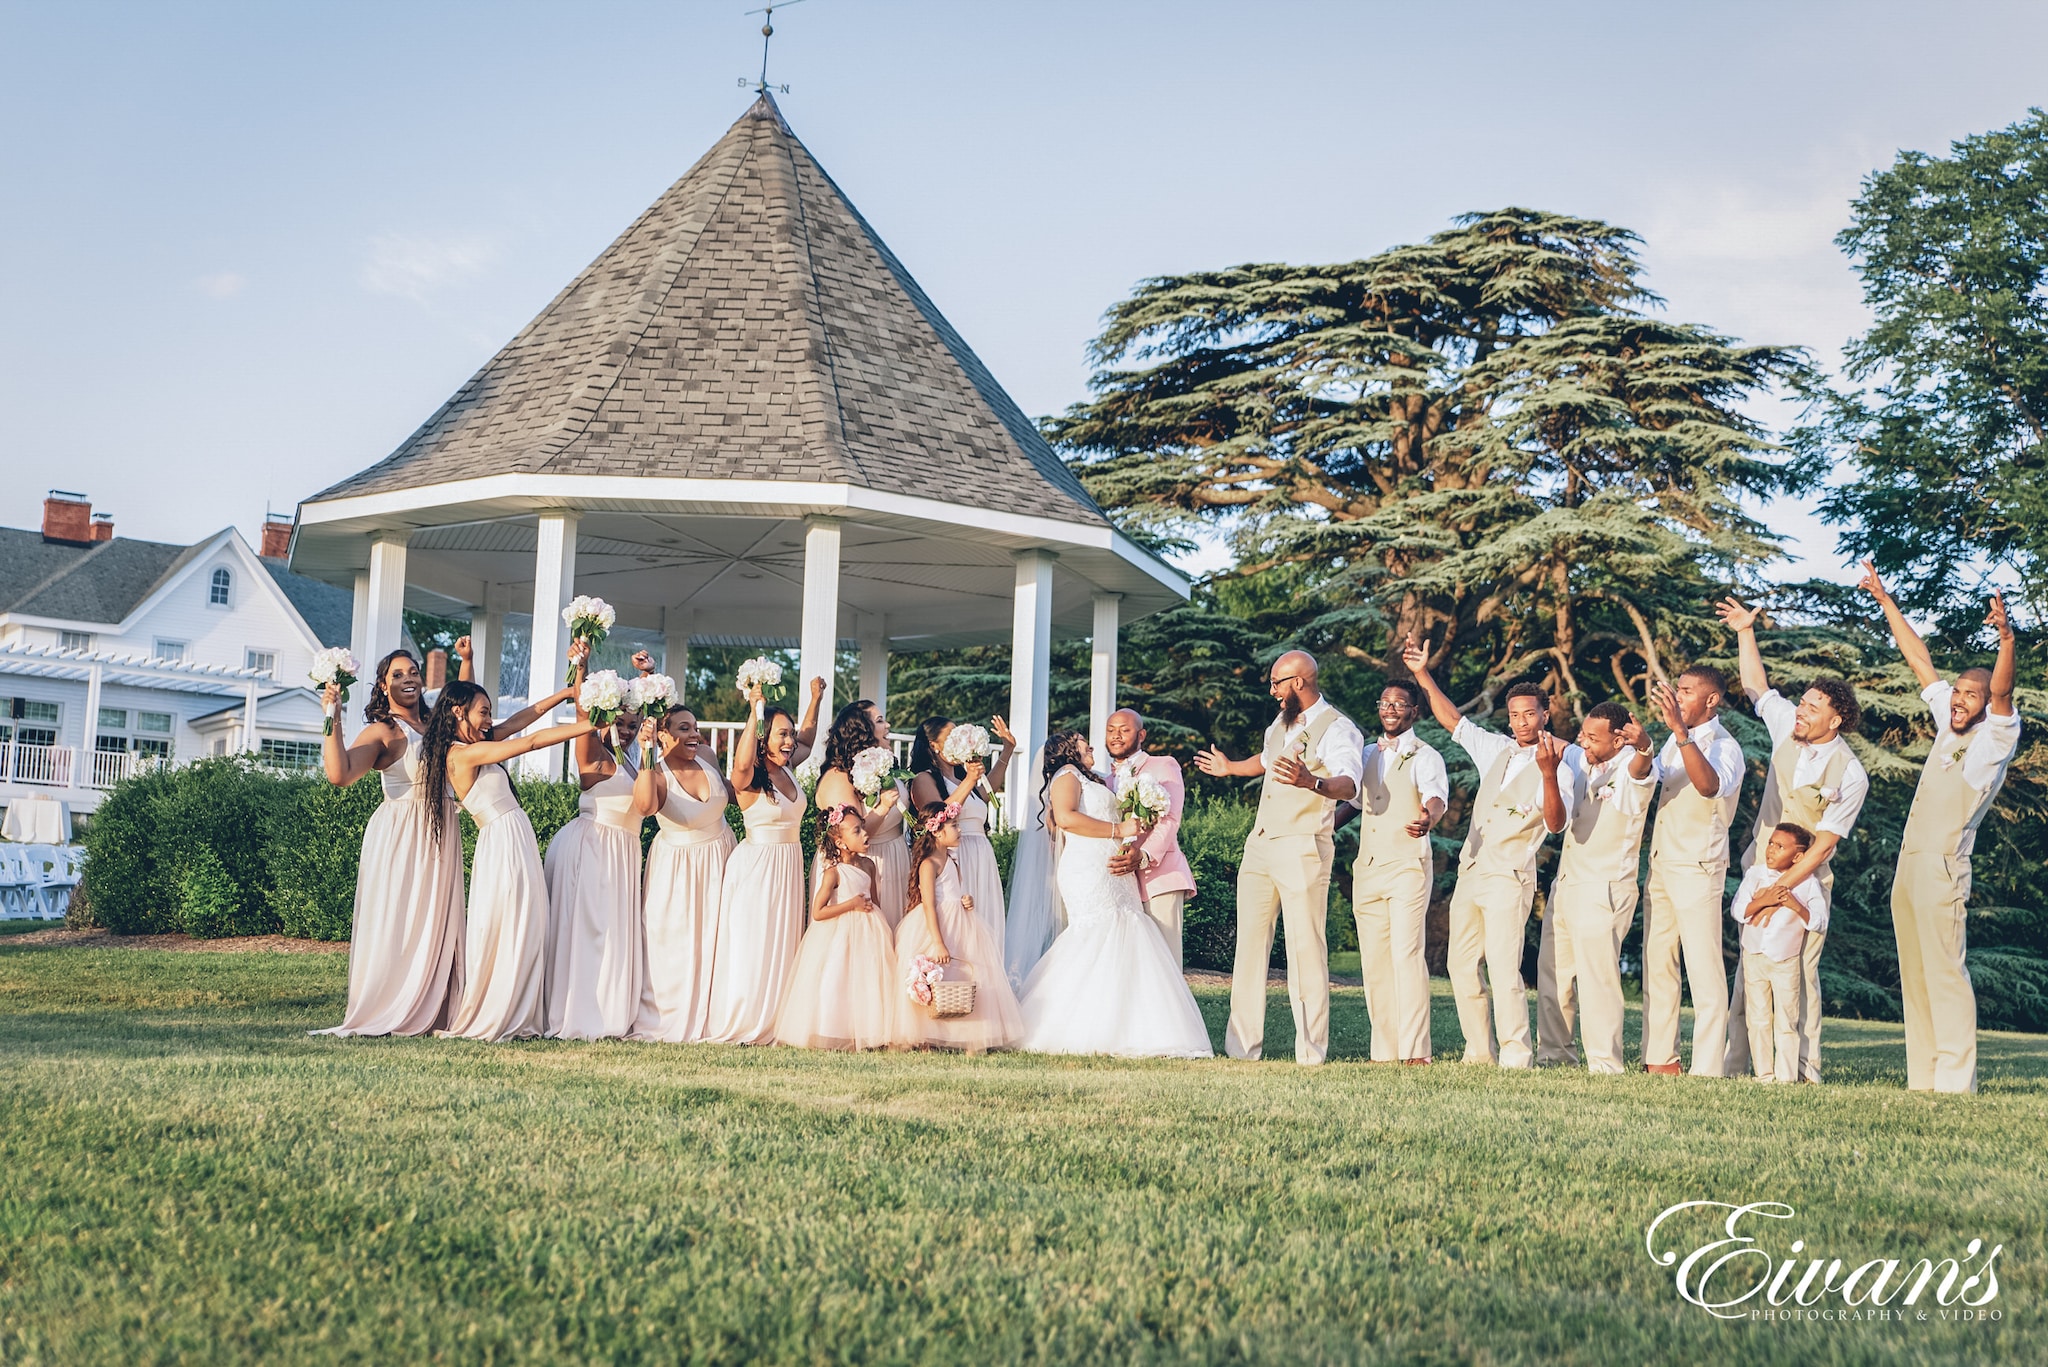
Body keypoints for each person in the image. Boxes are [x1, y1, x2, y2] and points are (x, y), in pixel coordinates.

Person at [1862, 565, 2022, 1094]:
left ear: (1986, 707)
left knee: (1946, 974)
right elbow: (1919, 660)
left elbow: (2001, 693)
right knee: (1917, 974)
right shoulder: (1947, 723)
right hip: (1910, 866)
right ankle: (1924, 1079)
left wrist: (2005, 640)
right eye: (1957, 692)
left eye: (1969, 697)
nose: (1958, 699)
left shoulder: (1993, 740)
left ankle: (1957, 1083)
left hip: (1944, 867)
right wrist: (1886, 600)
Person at [1402, 640, 1578, 1069]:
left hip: (1511, 874)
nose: (1520, 721)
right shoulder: (1496, 748)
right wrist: (1422, 674)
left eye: (1529, 714)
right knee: (1461, 966)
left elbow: (1556, 823)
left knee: (1503, 967)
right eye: (1514, 714)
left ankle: (1517, 1054)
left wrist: (1549, 774)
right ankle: (1479, 1052)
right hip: (1473, 870)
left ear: (1545, 712)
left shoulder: (1562, 759)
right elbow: (1453, 721)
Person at [1715, 596, 1870, 1081]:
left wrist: (1780, 892)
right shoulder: (1787, 726)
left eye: (1812, 707)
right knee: (1750, 967)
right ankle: (1739, 1064)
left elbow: (1824, 846)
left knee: (1799, 975)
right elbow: (1756, 685)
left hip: (1806, 883)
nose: (1800, 710)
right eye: (1801, 702)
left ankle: (1804, 1071)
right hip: (1760, 869)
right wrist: (1745, 630)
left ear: (1836, 720)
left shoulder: (1852, 774)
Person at [1196, 650, 1362, 1066]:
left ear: (1299, 683)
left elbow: (1350, 784)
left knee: (1306, 948)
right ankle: (1241, 1049)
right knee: (1249, 947)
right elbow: (1267, 760)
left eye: (1276, 683)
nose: (1271, 691)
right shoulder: (1281, 722)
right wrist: (1231, 768)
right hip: (1261, 843)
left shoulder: (1339, 728)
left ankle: (1310, 1052)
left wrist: (1313, 781)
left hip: (1303, 845)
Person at [1016, 733, 1213, 1058]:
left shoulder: (1093, 779)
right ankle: (1073, 1025)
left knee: (1127, 935)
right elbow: (1065, 818)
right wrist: (1118, 830)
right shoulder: (1067, 775)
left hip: (1113, 868)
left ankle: (1132, 1026)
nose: (1091, 745)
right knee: (1097, 935)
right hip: (1088, 869)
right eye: (1082, 741)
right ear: (1068, 750)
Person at [423, 680, 595, 1042]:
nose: (489, 720)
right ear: (458, 712)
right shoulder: (462, 754)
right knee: (514, 923)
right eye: (483, 712)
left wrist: (564, 696)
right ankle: (502, 1010)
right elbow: (530, 741)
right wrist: (592, 725)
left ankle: (523, 1007)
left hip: (515, 836)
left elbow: (522, 721)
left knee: (530, 923)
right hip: (501, 843)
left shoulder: (476, 744)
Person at [311, 650, 467, 1037]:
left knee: (439, 918)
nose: (409, 678)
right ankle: (395, 1002)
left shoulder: (436, 722)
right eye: (398, 674)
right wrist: (332, 716)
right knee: (403, 919)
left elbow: (468, 701)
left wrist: (467, 659)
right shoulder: (384, 731)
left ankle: (440, 1006)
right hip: (402, 834)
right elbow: (340, 773)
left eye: (413, 672)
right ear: (384, 685)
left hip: (441, 829)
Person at [542, 681, 667, 1040]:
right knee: (586, 932)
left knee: (612, 932)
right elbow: (584, 713)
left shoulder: (632, 761)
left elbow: (648, 804)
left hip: (622, 855)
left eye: (632, 724)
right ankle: (577, 1013)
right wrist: (581, 669)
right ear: (606, 719)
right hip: (592, 847)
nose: (626, 730)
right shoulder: (593, 757)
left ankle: (609, 1009)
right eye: (620, 722)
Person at [1640, 666, 1746, 1077]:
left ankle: (1707, 1067)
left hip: (1699, 865)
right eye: (1677, 689)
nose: (1677, 696)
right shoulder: (1671, 740)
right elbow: (1657, 782)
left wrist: (1681, 733)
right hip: (1663, 863)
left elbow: (1709, 786)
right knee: (1659, 961)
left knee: (1703, 968)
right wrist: (1644, 747)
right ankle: (1662, 1059)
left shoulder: (1725, 746)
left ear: (1711, 699)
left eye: (1685, 691)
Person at [1539, 701, 1655, 1074]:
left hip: (1606, 885)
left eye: (1592, 737)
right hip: (1568, 881)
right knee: (1553, 973)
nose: (1582, 742)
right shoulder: (1580, 760)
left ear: (1619, 740)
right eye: (1582, 734)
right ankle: (1555, 1055)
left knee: (1597, 979)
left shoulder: (1633, 767)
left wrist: (1644, 747)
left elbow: (1641, 769)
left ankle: (1605, 1064)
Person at [702, 683, 814, 1045]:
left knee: (782, 943)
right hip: (757, 869)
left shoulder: (789, 767)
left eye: (791, 735)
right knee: (753, 943)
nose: (790, 742)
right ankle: (746, 1019)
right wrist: (754, 709)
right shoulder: (748, 777)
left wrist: (816, 699)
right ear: (763, 736)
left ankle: (777, 1020)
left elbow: (809, 741)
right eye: (782, 734)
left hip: (788, 866)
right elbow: (740, 762)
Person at [1346, 681, 1448, 1065]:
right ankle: (1384, 1050)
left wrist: (1429, 818)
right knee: (1374, 962)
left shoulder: (1426, 755)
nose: (1390, 709)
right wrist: (1321, 829)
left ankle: (1416, 1050)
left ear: (1414, 711)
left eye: (1399, 703)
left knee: (1406, 955)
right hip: (1368, 868)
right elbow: (1355, 804)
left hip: (1408, 866)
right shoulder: (1368, 753)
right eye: (1385, 702)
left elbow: (1436, 797)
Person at [632, 705, 738, 1043]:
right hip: (678, 870)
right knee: (675, 944)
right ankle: (669, 1017)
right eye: (683, 728)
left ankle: (719, 1015)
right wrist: (647, 751)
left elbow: (735, 794)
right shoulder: (655, 772)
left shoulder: (707, 755)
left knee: (721, 941)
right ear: (663, 735)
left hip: (722, 857)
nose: (694, 734)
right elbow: (646, 807)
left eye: (694, 727)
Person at [895, 801, 1023, 1053]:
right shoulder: (928, 864)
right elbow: (929, 904)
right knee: (937, 977)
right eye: (954, 825)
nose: (959, 830)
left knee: (963, 975)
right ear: (937, 831)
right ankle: (928, 1035)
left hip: (960, 922)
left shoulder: (952, 860)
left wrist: (966, 900)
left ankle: (966, 1033)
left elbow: (955, 891)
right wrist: (938, 941)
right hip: (937, 925)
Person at [774, 803, 903, 1051]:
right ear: (841, 842)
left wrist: (881, 927)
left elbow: (874, 901)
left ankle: (869, 1031)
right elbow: (818, 912)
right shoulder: (833, 873)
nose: (865, 834)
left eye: (863, 828)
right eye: (856, 831)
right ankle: (833, 1031)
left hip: (869, 932)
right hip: (840, 933)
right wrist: (851, 905)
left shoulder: (869, 865)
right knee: (838, 979)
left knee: (867, 980)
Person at [908, 714, 1019, 946]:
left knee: (987, 923)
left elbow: (986, 794)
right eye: (950, 736)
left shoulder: (960, 780)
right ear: (934, 745)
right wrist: (970, 779)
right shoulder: (923, 779)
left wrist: (1008, 750)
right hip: (956, 857)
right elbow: (938, 817)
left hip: (982, 855)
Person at [1729, 823, 1829, 1084]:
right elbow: (1738, 910)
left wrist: (1795, 906)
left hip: (1785, 960)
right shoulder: (1755, 875)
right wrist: (1765, 900)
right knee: (1758, 1016)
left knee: (1787, 1019)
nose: (1771, 850)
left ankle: (1786, 1076)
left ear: (1797, 857)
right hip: (1753, 956)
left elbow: (1820, 920)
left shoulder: (1807, 884)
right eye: (1770, 843)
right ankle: (1764, 1074)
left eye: (1780, 847)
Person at [1102, 708, 1196, 970]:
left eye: (1124, 730)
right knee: (1134, 963)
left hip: (1160, 875)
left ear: (1141, 734)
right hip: (1121, 883)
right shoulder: (1104, 780)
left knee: (1164, 961)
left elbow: (1171, 818)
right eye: (1110, 730)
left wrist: (1143, 856)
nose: (1116, 736)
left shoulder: (1163, 765)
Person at [813, 699, 910, 929]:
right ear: (861, 732)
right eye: (879, 721)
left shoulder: (886, 767)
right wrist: (883, 807)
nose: (887, 725)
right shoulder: (838, 777)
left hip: (894, 861)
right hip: (861, 868)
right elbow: (850, 835)